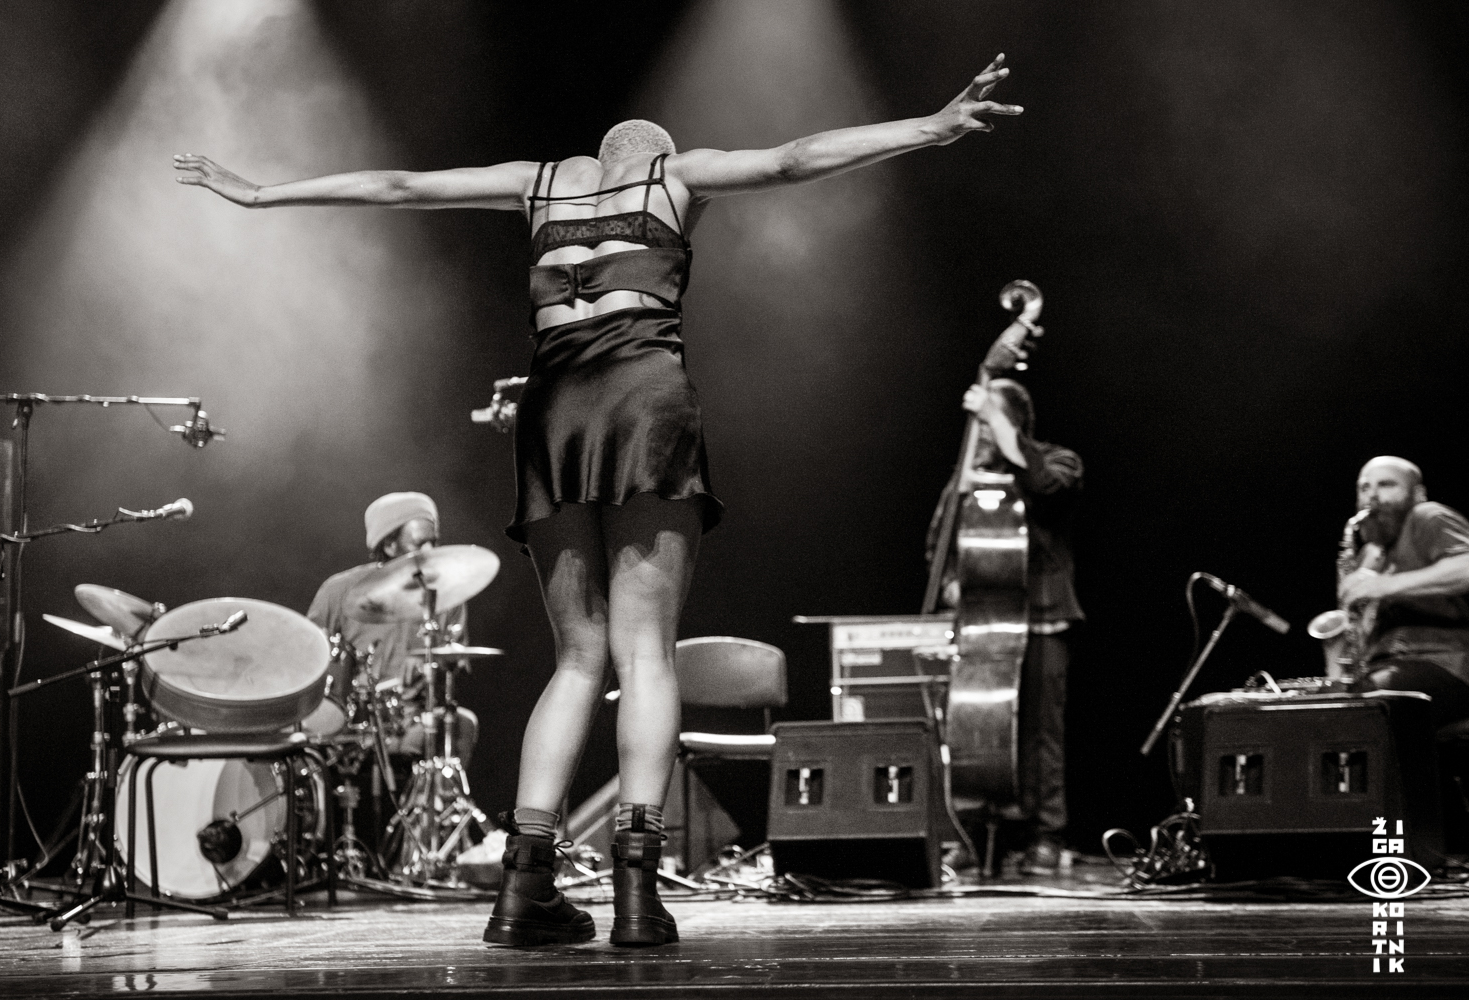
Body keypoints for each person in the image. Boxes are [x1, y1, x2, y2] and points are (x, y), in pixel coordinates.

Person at [176, 55, 1021, 946]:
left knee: (576, 657)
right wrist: (930, 125)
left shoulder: (536, 185)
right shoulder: (673, 172)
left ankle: (524, 885)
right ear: (649, 150)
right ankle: (635, 892)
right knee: (646, 655)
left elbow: (396, 185)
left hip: (551, 412)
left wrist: (262, 193)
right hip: (644, 397)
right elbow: (796, 157)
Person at [925, 378, 1083, 875]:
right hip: (982, 627)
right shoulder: (967, 477)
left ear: (1012, 420)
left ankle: (1046, 837)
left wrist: (996, 420)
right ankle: (972, 835)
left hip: (1041, 620)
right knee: (974, 732)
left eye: (991, 421)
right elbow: (939, 545)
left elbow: (1042, 486)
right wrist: (951, 582)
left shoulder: (1058, 461)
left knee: (1041, 737)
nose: (984, 433)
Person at [307, 492, 477, 764]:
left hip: (415, 718)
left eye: (434, 542)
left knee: (462, 724)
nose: (431, 553)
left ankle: (442, 804)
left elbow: (456, 655)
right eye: (420, 544)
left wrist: (432, 658)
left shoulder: (447, 593)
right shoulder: (338, 591)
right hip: (353, 720)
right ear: (389, 545)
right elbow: (309, 657)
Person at [1339, 456, 1469, 726]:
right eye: (1364, 488)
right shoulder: (1370, 555)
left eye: (1386, 485)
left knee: (1367, 705)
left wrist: (1384, 585)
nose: (1371, 496)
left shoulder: (1427, 516)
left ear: (1417, 493)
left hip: (1446, 663)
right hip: (1382, 669)